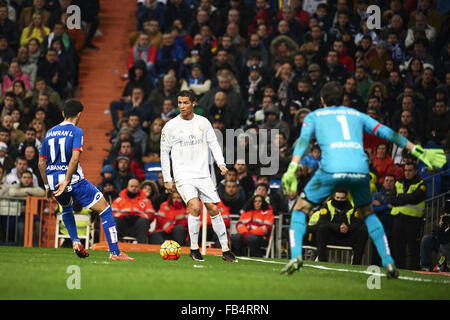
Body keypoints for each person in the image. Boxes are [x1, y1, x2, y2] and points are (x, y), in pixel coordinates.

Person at [280, 81, 446, 278]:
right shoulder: (356, 115)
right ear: (343, 99)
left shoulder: (313, 116)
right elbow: (387, 132)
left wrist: (292, 167)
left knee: (300, 209)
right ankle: (388, 262)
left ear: (322, 100)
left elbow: (303, 141)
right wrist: (416, 149)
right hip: (360, 168)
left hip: (332, 167)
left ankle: (296, 256)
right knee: (368, 213)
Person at [38, 99, 135, 260]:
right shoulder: (77, 132)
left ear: (63, 114)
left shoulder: (49, 133)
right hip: (73, 181)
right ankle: (115, 253)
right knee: (105, 209)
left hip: (54, 181)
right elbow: (74, 159)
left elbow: (41, 162)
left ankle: (76, 241)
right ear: (79, 114)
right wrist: (67, 180)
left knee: (67, 209)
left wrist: (47, 185)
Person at [160, 90, 237, 262]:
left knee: (214, 209)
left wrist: (221, 163)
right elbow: (164, 153)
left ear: (194, 103)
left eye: (185, 103)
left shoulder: (203, 123)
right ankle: (194, 249)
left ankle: (225, 249)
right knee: (195, 207)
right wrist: (167, 178)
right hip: (183, 175)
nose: (182, 106)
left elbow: (214, 144)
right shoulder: (170, 126)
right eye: (179, 103)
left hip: (203, 174)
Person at [314, 189, 368, 265]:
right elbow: (322, 222)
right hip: (332, 236)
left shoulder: (353, 207)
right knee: (321, 229)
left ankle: (356, 263)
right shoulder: (327, 206)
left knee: (363, 230)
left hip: (347, 236)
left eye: (342, 198)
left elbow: (358, 223)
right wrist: (338, 227)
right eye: (338, 198)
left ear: (346, 198)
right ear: (334, 197)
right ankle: (323, 262)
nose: (339, 200)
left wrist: (348, 227)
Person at [389, 162, 426, 270]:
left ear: (415, 171)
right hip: (398, 220)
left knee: (414, 249)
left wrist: (399, 197)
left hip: (413, 221)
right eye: (405, 170)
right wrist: (406, 197)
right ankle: (399, 271)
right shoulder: (398, 183)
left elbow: (415, 198)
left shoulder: (421, 184)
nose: (407, 173)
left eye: (410, 170)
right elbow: (391, 199)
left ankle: (415, 270)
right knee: (397, 249)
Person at [111, 178, 155, 244]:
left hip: (139, 227)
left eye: (136, 186)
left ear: (139, 187)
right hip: (123, 226)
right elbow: (113, 213)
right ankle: (115, 247)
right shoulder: (119, 200)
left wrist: (138, 216)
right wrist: (124, 216)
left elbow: (151, 214)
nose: (134, 188)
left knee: (143, 221)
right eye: (132, 186)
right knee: (115, 221)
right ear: (127, 187)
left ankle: (142, 248)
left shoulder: (145, 200)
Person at [420, 199, 450, 272]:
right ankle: (425, 267)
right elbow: (435, 233)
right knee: (426, 239)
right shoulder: (444, 222)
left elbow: (444, 240)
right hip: (443, 244)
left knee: (443, 246)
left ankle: (441, 266)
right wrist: (441, 225)